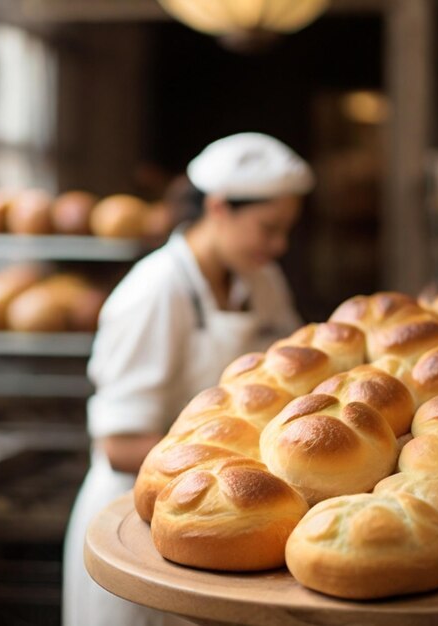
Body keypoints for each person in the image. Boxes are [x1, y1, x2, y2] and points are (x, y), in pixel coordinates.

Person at [62, 132, 315, 626]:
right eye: (268, 228)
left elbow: (292, 371)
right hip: (135, 525)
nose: (278, 244)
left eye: (286, 230)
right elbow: (119, 443)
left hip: (217, 516)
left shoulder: (261, 280)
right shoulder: (155, 291)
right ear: (219, 208)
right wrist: (251, 464)